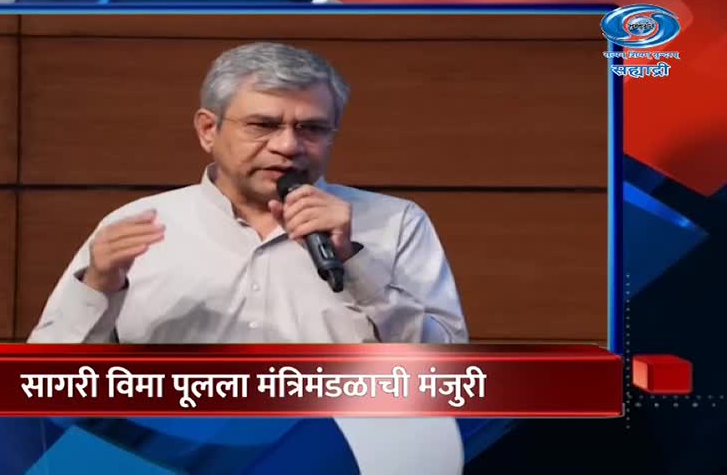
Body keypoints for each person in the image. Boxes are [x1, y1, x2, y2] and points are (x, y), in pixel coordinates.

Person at [27, 42, 468, 345]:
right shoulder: (139, 225)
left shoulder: (396, 224)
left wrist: (356, 262)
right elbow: (43, 383)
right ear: (208, 130)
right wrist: (100, 285)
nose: (288, 146)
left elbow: (451, 375)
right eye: (263, 125)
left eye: (311, 128)